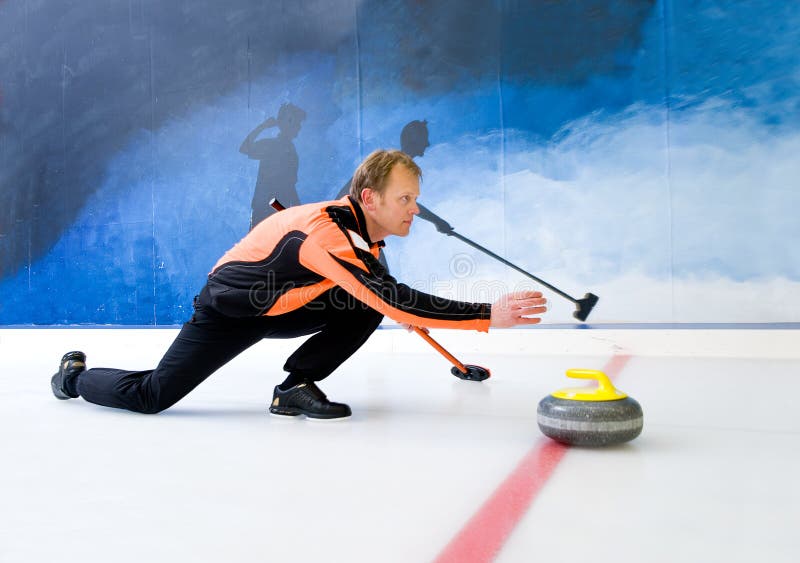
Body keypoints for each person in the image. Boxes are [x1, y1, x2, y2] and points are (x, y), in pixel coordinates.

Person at [50, 150, 547, 419]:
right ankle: (73, 377)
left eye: (415, 199)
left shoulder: (365, 241)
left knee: (366, 303)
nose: (414, 210)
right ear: (370, 198)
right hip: (229, 311)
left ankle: (294, 388)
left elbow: (382, 296)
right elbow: (398, 300)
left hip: (287, 304)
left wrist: (381, 294)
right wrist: (487, 315)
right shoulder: (327, 236)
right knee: (152, 395)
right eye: (405, 199)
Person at [240, 103, 306, 230]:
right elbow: (244, 148)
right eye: (295, 122)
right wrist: (263, 126)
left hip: (278, 210)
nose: (298, 127)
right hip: (266, 210)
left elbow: (290, 185)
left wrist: (298, 211)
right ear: (283, 123)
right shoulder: (272, 146)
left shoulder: (290, 151)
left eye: (298, 123)